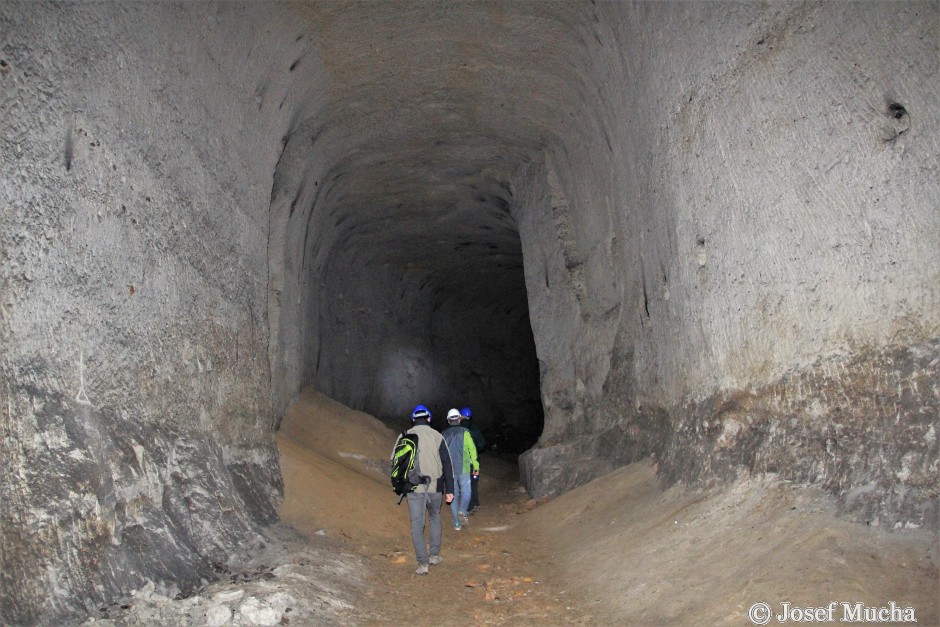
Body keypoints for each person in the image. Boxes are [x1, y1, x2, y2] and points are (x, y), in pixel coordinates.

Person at [399, 404, 454, 576]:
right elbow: (447, 463)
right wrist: (450, 489)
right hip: (435, 486)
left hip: (413, 487)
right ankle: (434, 555)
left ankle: (422, 564)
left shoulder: (405, 436)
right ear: (429, 419)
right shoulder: (437, 436)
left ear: (413, 420)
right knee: (435, 517)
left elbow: (395, 461)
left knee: (417, 525)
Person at [442, 408, 478, 531]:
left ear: (448, 420)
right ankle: (462, 511)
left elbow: (440, 453)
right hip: (464, 468)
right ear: (459, 419)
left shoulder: (443, 434)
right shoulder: (465, 432)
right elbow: (472, 450)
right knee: (467, 492)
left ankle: (457, 523)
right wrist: (476, 466)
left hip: (449, 470)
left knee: (453, 494)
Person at [460, 406, 486, 514]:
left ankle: (470, 507)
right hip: (475, 461)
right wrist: (476, 450)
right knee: (474, 480)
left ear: (461, 416)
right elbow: (482, 444)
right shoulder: (475, 428)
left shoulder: (459, 429)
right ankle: (475, 503)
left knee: (466, 483)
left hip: (464, 461)